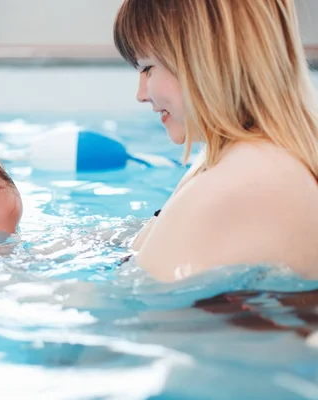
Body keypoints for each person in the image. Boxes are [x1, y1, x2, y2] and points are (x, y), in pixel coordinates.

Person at [114, 0, 318, 282]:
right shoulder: (243, 161)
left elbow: (143, 310)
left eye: (148, 67)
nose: (141, 94)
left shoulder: (245, 181)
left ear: (207, 58)